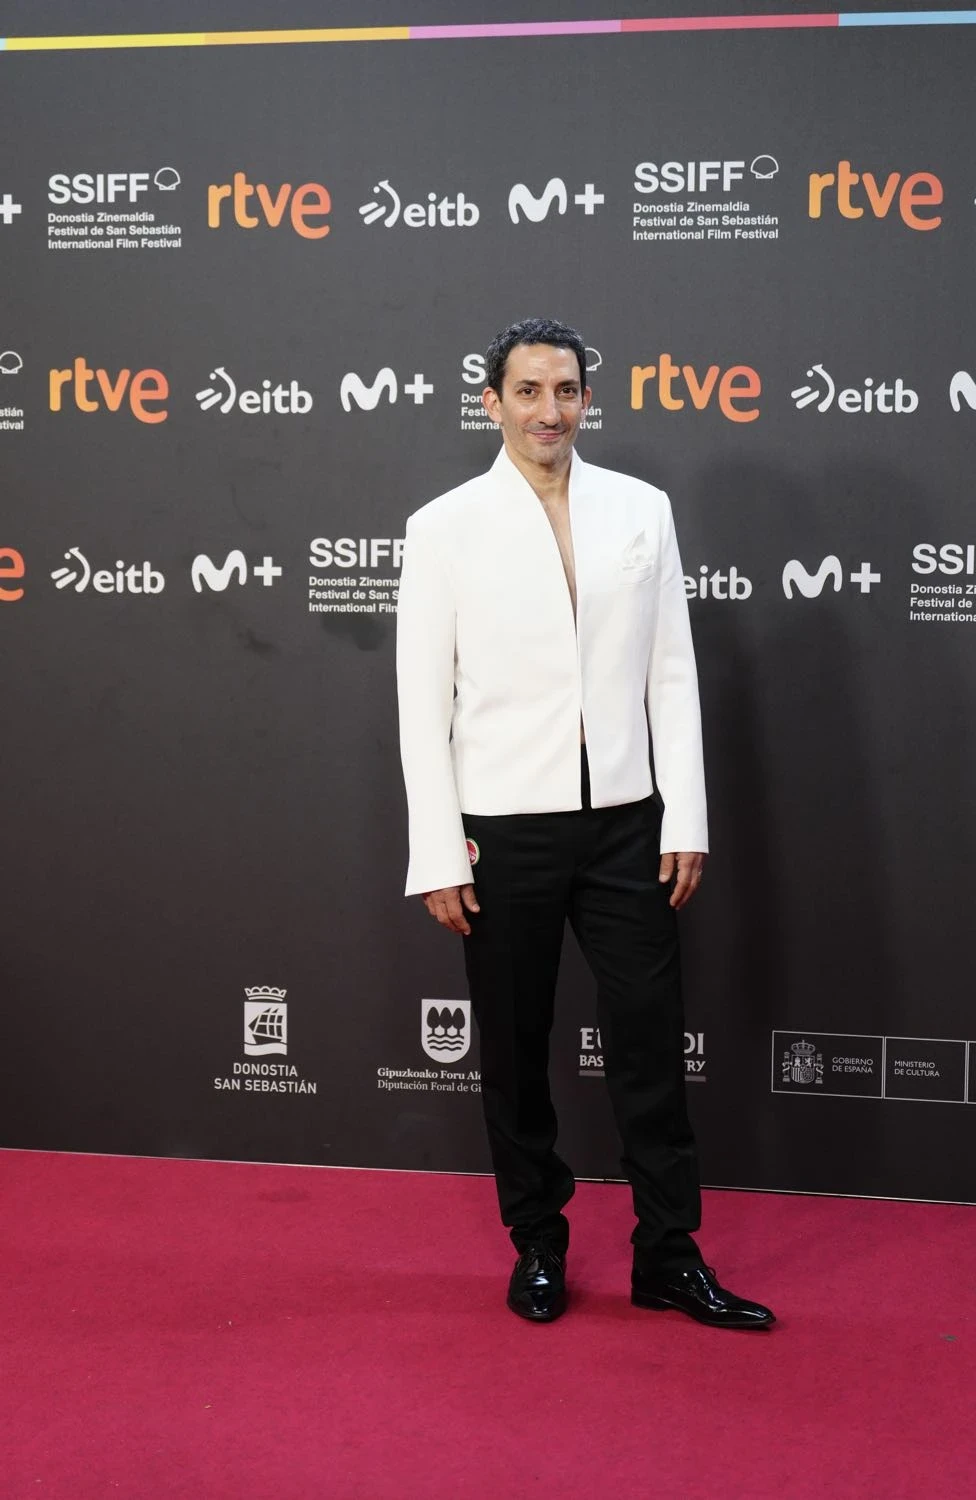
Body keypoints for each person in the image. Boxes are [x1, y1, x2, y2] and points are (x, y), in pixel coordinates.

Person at [396, 317, 774, 1330]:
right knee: (515, 1051)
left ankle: (668, 1252)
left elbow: (672, 674)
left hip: (625, 824)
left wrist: (681, 816)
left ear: (585, 399)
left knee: (649, 1041)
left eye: (564, 390)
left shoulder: (640, 511)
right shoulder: (444, 527)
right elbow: (420, 701)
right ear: (491, 403)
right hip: (501, 828)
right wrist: (439, 847)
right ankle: (537, 1245)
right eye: (527, 391)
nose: (548, 411)